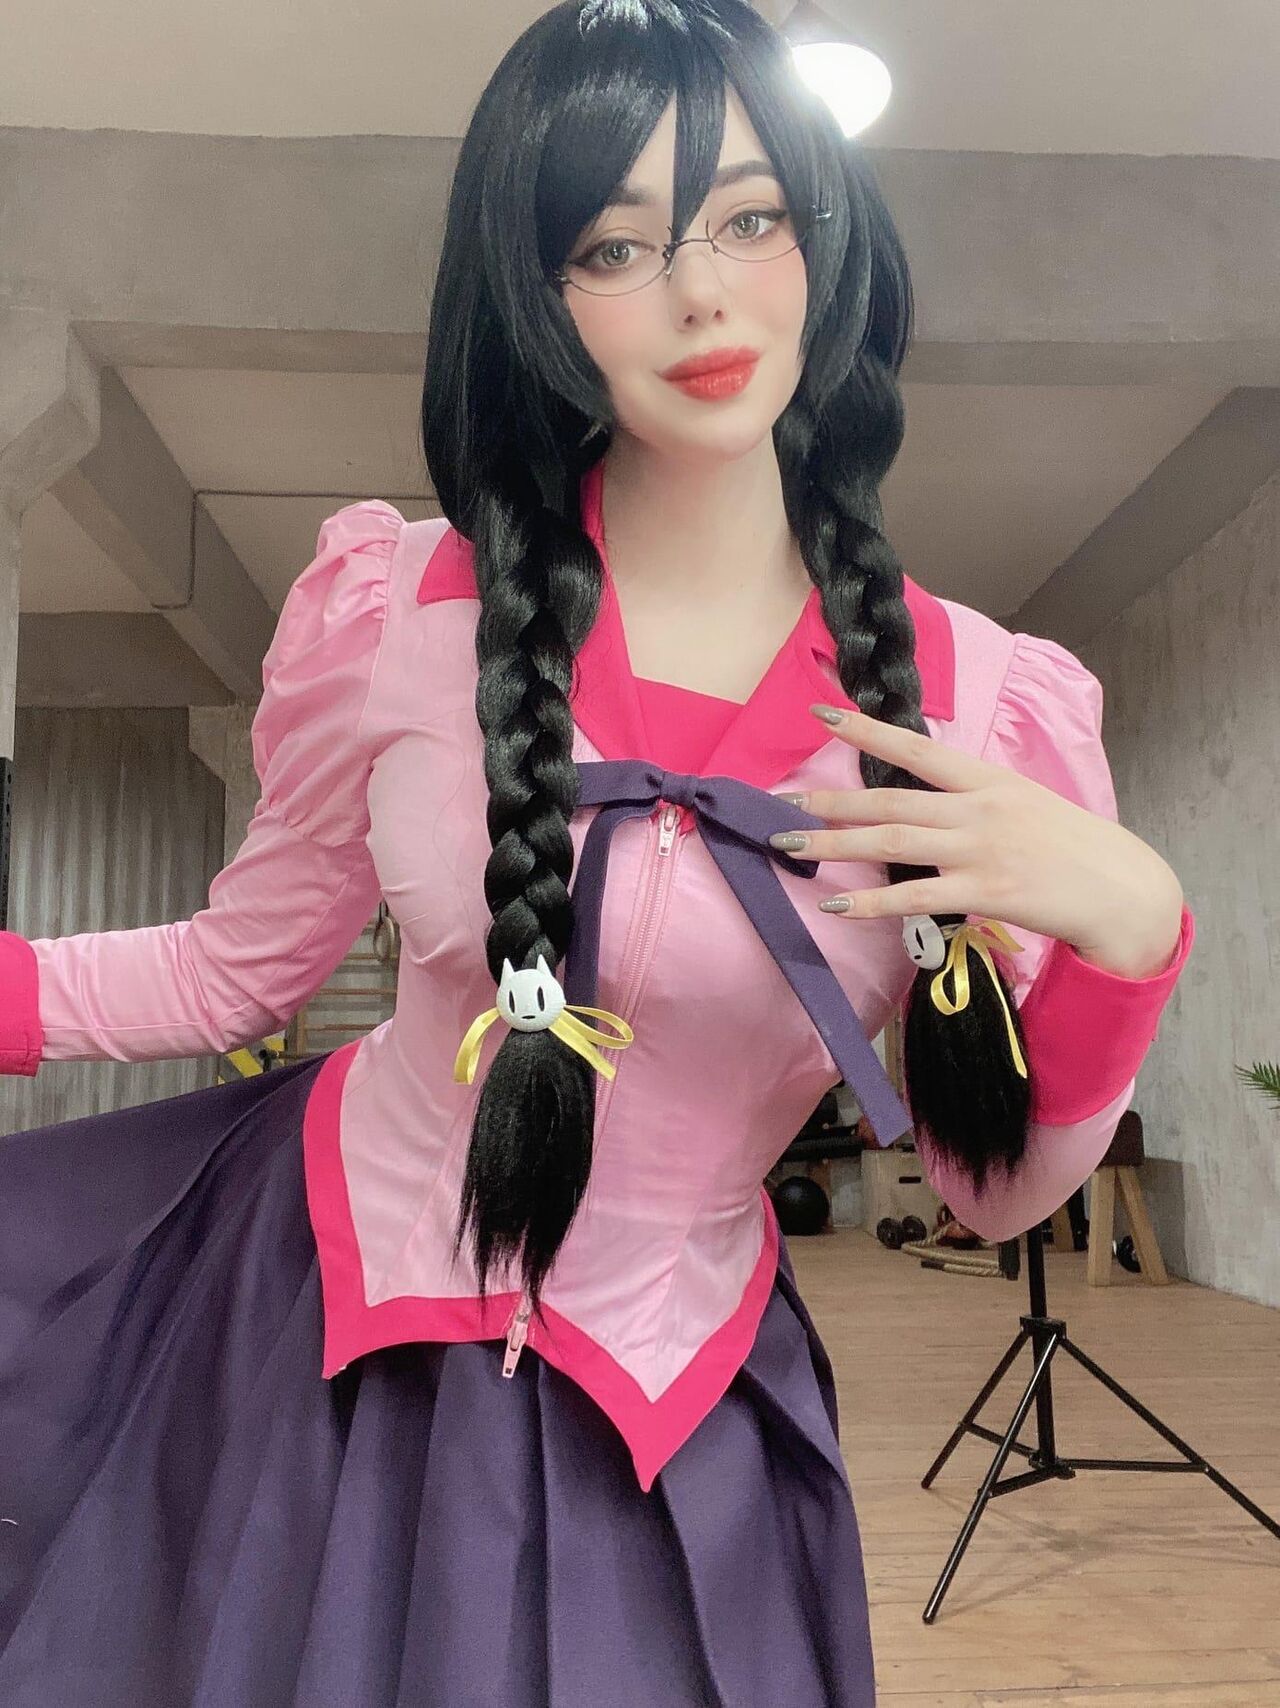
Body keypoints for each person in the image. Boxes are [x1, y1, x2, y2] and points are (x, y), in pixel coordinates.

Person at [0, 2, 1195, 1703]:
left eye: (752, 218)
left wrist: (1134, 935)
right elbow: (233, 971)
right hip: (314, 1333)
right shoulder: (399, 614)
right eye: (618, 246)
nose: (703, 293)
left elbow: (988, 1188)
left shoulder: (987, 706)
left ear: (825, 246)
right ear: (536, 298)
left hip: (673, 1398)